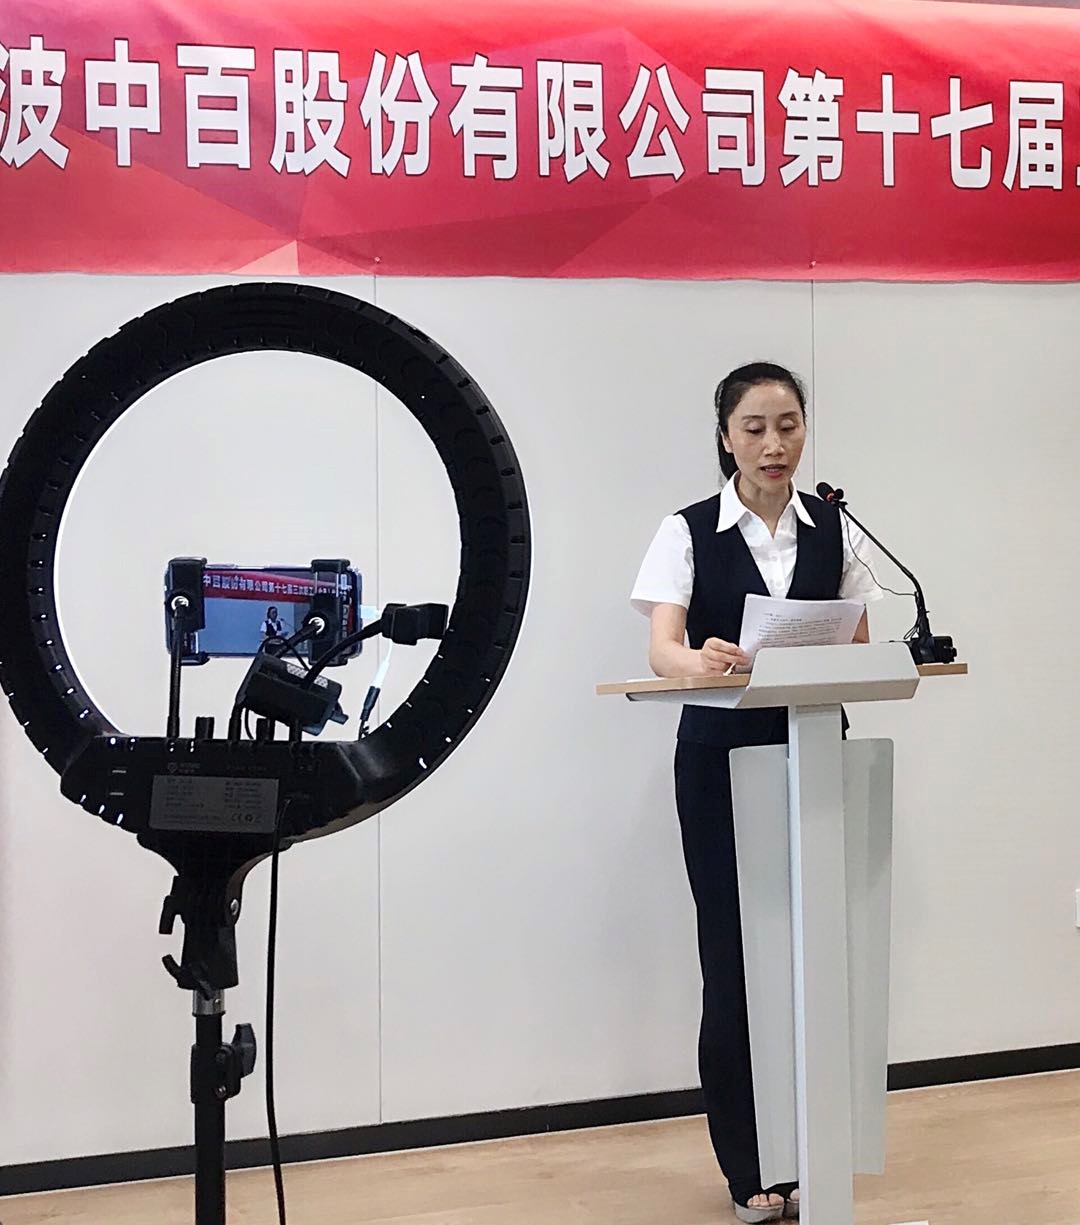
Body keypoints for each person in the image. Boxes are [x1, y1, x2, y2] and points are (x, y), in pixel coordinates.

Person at [630, 362, 881, 1223]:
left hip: (813, 748)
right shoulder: (687, 529)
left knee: (817, 954)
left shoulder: (838, 528)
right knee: (735, 959)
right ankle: (749, 1167)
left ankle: (814, 1155)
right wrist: (696, 659)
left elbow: (862, 642)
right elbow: (663, 647)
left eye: (788, 425)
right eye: (755, 427)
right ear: (726, 437)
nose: (775, 444)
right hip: (719, 757)